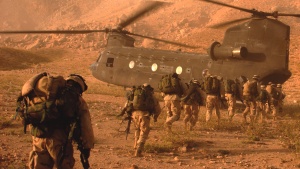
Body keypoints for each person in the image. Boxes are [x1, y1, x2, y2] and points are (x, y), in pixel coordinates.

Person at [17, 73, 94, 169]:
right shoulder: (74, 98)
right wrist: (86, 148)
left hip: (38, 135)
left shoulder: (44, 93)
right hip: (58, 139)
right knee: (64, 164)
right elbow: (85, 126)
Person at [130, 83, 161, 157]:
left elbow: (129, 103)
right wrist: (155, 117)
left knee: (137, 129)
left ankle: (135, 146)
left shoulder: (136, 93)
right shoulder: (150, 96)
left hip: (134, 115)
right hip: (144, 115)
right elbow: (158, 108)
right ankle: (138, 150)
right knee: (144, 133)